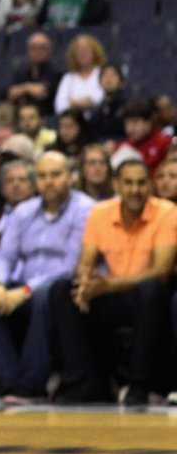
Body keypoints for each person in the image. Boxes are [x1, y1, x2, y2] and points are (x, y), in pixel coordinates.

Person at [48, 158, 175, 405]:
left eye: (141, 183)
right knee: (63, 290)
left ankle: (139, 386)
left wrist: (107, 286)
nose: (135, 190)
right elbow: (85, 261)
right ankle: (82, 382)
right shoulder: (100, 212)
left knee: (150, 290)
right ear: (116, 185)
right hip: (114, 295)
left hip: (150, 298)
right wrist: (85, 284)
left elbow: (162, 271)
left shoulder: (167, 213)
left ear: (150, 186)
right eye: (128, 183)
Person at [0, 152, 91, 404]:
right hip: (21, 285)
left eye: (56, 175)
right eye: (43, 176)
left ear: (70, 177)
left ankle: (32, 384)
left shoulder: (85, 209)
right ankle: (8, 381)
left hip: (59, 288)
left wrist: (25, 291)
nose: (49, 181)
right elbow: (4, 257)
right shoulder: (23, 211)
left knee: (47, 295)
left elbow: (70, 266)